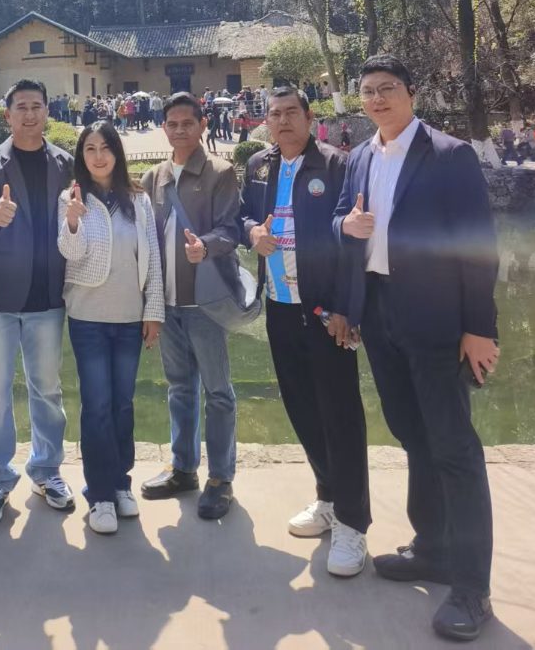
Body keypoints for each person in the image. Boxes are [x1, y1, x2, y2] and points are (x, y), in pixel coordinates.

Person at [334, 54, 499, 641]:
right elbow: (341, 219)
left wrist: (479, 327)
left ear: (410, 92)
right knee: (411, 434)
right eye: (368, 91)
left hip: (437, 320)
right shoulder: (358, 156)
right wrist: (344, 228)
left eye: (387, 88)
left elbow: (477, 243)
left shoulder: (449, 155)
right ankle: (432, 547)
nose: (377, 99)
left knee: (454, 447)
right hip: (380, 314)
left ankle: (472, 588)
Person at [238, 87, 370, 576]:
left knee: (341, 414)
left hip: (324, 311)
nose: (282, 121)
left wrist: (346, 309)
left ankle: (353, 524)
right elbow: (242, 215)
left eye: (291, 112)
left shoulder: (336, 165)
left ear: (310, 117)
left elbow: (354, 244)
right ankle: (328, 497)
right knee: (301, 407)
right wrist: (252, 232)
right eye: (274, 115)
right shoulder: (259, 166)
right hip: (280, 305)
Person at [0, 79, 75, 525]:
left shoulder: (65, 163)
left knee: (47, 389)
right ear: (7, 114)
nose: (29, 114)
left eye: (36, 106)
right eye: (21, 107)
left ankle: (46, 470)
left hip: (47, 295)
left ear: (47, 111)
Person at [59, 122, 165, 534]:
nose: (99, 156)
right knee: (97, 405)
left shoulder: (138, 200)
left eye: (106, 147)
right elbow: (71, 254)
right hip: (88, 317)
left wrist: (152, 311)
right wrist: (72, 223)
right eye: (90, 148)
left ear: (117, 153)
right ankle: (99, 494)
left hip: (128, 317)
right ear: (81, 156)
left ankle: (121, 483)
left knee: (123, 403)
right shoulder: (71, 197)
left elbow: (152, 257)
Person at [140, 93, 241, 520]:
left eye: (187, 123)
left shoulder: (219, 172)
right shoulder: (154, 177)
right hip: (167, 302)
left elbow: (231, 229)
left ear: (202, 125)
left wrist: (207, 245)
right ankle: (183, 469)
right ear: (163, 128)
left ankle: (221, 478)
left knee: (217, 391)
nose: (180, 130)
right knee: (180, 388)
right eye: (172, 123)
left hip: (205, 302)